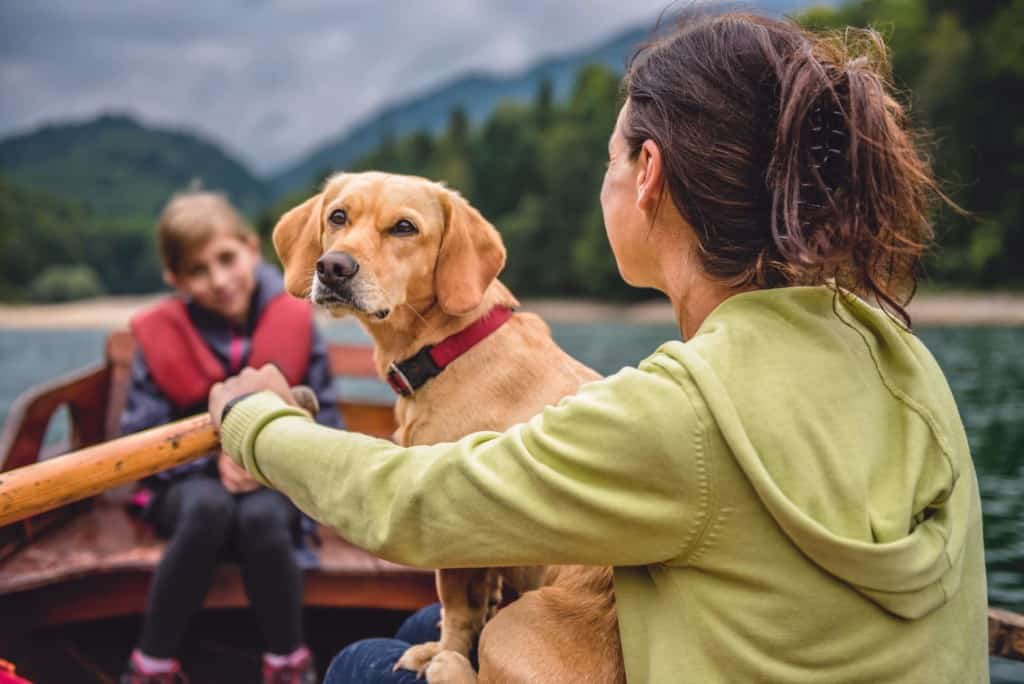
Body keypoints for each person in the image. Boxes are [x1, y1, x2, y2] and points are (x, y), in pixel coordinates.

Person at [209, 13, 988, 683]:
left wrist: (255, 420)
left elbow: (408, 507)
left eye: (609, 159)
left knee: (357, 664)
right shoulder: (899, 354)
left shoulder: (681, 411)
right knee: (426, 633)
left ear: (647, 175)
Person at [120, 191, 343, 684]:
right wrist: (215, 464)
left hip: (276, 483)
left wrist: (266, 459)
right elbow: (140, 436)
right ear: (175, 279)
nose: (219, 280)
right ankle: (150, 665)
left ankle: (288, 663)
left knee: (263, 515)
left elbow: (327, 421)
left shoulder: (296, 319)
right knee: (210, 508)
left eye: (226, 259)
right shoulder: (162, 335)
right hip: (186, 488)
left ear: (250, 248)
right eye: (199, 271)